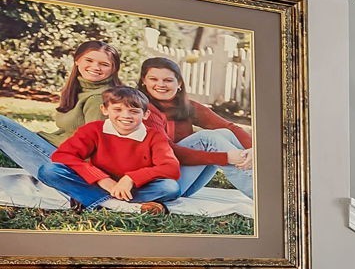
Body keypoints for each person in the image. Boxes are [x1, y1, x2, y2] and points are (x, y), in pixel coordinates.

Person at [35, 85, 181, 214]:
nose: (126, 116)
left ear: (145, 115)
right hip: (97, 183)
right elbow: (63, 155)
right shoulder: (93, 129)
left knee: (170, 188)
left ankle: (96, 201)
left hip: (133, 189)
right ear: (104, 110)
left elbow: (171, 168)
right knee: (48, 171)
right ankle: (115, 205)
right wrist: (101, 178)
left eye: (134, 111)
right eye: (117, 109)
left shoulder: (154, 136)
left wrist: (131, 178)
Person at [136, 56, 255, 200]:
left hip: (184, 183)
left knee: (224, 132)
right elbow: (170, 151)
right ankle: (261, 192)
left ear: (179, 83)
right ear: (144, 81)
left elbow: (230, 127)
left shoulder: (188, 106)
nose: (161, 84)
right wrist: (226, 157)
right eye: (153, 79)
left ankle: (258, 179)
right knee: (207, 138)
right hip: (161, 184)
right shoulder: (142, 109)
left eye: (168, 80)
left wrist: (251, 150)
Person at [0, 39, 121, 178]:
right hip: (59, 151)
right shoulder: (80, 90)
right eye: (89, 60)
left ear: (113, 69)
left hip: (69, 164)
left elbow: (96, 149)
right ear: (77, 60)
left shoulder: (98, 98)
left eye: (104, 64)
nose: (95, 67)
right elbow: (69, 131)